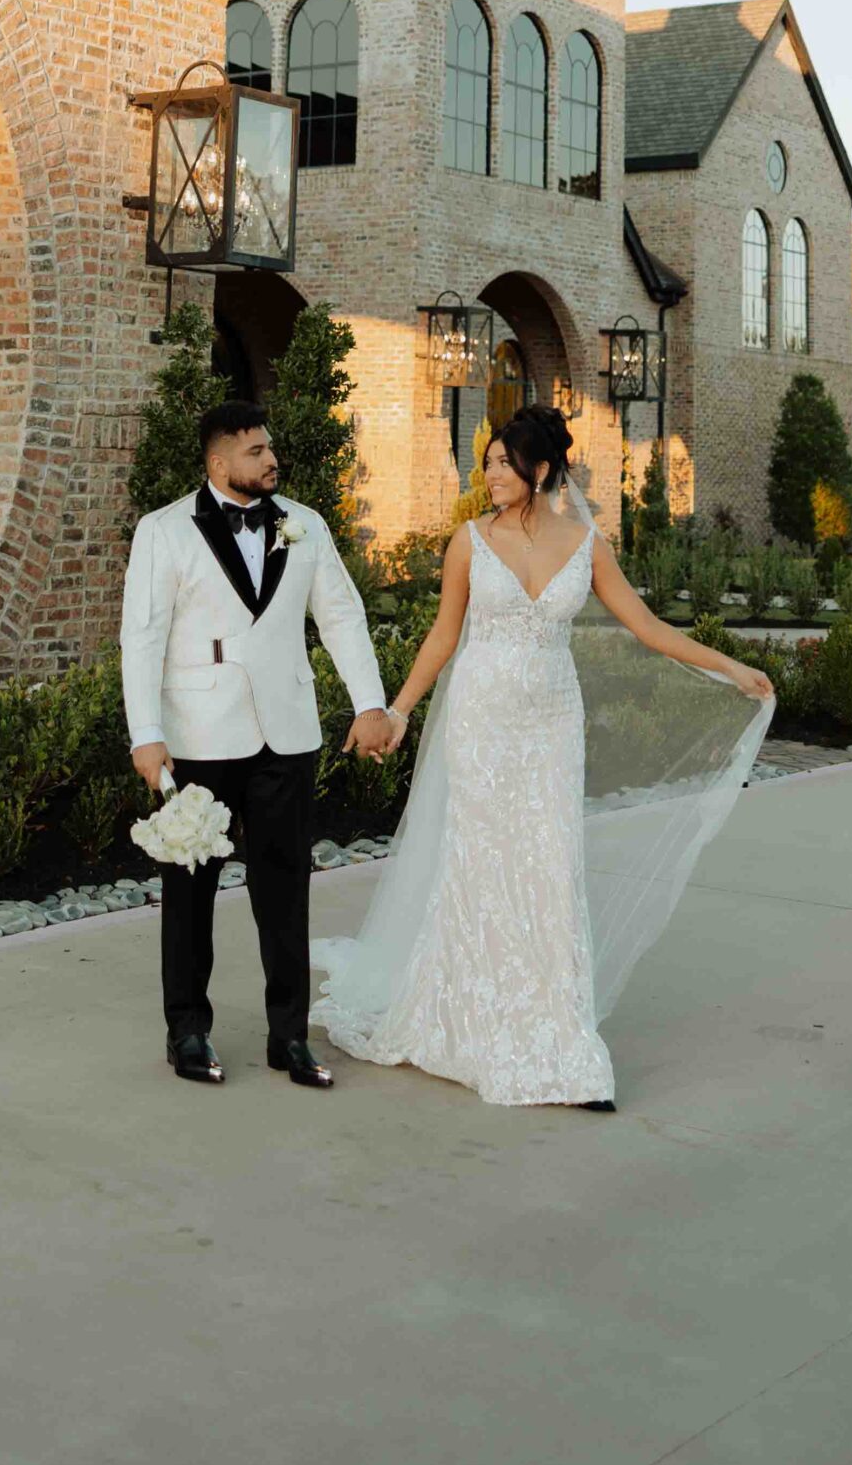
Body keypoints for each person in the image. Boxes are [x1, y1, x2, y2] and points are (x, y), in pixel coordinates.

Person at [313, 404, 773, 1110]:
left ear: (541, 468)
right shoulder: (468, 541)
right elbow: (442, 638)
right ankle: (467, 1020)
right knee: (482, 862)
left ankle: (556, 1035)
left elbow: (648, 628)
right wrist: (399, 711)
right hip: (482, 722)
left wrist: (730, 669)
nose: (490, 474)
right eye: (489, 462)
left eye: (503, 462)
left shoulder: (587, 545)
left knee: (550, 867)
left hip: (551, 727)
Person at [121, 399, 392, 1088]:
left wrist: (370, 703)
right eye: (254, 452)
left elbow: (342, 617)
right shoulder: (163, 532)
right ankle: (187, 1033)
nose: (271, 460)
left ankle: (289, 1038)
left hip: (287, 733)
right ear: (218, 461)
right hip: (199, 736)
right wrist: (146, 735)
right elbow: (142, 636)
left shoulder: (305, 526)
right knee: (190, 897)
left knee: (285, 891)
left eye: (270, 449)